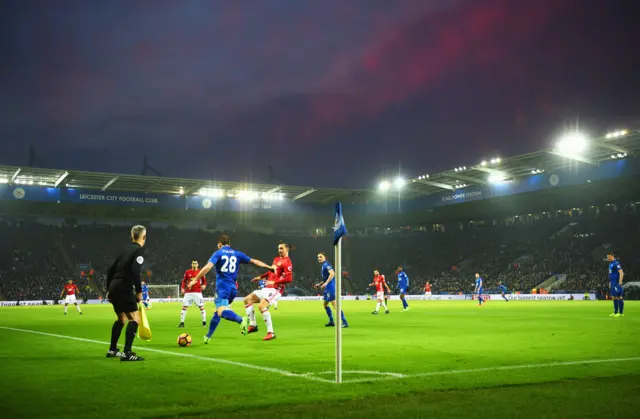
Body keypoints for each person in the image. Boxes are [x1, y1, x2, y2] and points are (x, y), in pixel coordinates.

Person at [192, 235, 273, 343]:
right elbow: (254, 261)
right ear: (229, 244)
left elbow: (208, 267)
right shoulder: (237, 254)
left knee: (221, 310)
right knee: (218, 311)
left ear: (220, 244)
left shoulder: (218, 253)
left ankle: (241, 319)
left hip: (223, 287)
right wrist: (269, 267)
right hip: (233, 289)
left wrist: (195, 279)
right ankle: (208, 336)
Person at [105, 225, 147, 362]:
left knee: (121, 319)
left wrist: (108, 289)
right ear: (144, 237)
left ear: (131, 236)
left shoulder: (124, 250)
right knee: (135, 319)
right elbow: (136, 271)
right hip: (124, 286)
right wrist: (139, 291)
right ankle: (127, 353)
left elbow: (110, 270)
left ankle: (112, 350)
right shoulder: (139, 251)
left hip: (114, 286)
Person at [245, 242, 294, 341]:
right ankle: (253, 325)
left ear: (286, 250)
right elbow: (271, 271)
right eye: (278, 249)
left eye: (281, 248)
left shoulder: (287, 262)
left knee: (261, 306)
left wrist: (274, 281)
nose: (279, 250)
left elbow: (289, 279)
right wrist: (260, 277)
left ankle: (271, 333)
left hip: (276, 289)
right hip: (267, 287)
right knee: (247, 300)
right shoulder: (276, 259)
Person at [314, 252, 348, 328]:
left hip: (330, 288)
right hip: (327, 288)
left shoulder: (326, 265)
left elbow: (332, 273)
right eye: (318, 257)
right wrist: (319, 284)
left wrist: (326, 283)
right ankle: (331, 321)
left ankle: (345, 322)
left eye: (320, 256)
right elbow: (325, 278)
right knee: (325, 304)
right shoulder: (323, 266)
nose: (319, 258)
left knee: (335, 305)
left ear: (325, 257)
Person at [178, 260, 207, 328]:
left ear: (198, 264)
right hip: (188, 293)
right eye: (193, 263)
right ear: (191, 264)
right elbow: (184, 281)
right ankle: (182, 323)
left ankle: (204, 322)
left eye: (196, 263)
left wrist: (204, 285)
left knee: (201, 307)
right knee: (184, 307)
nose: (194, 264)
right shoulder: (187, 272)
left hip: (197, 292)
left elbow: (204, 281)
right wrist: (182, 288)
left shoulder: (200, 272)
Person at [607, 252, 625, 317]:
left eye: (608, 257)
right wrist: (610, 282)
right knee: (613, 297)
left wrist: (620, 281)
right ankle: (615, 312)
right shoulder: (610, 264)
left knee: (619, 296)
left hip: (616, 282)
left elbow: (621, 272)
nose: (608, 258)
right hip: (612, 282)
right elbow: (611, 274)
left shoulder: (616, 263)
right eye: (607, 257)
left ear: (612, 256)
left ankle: (621, 313)